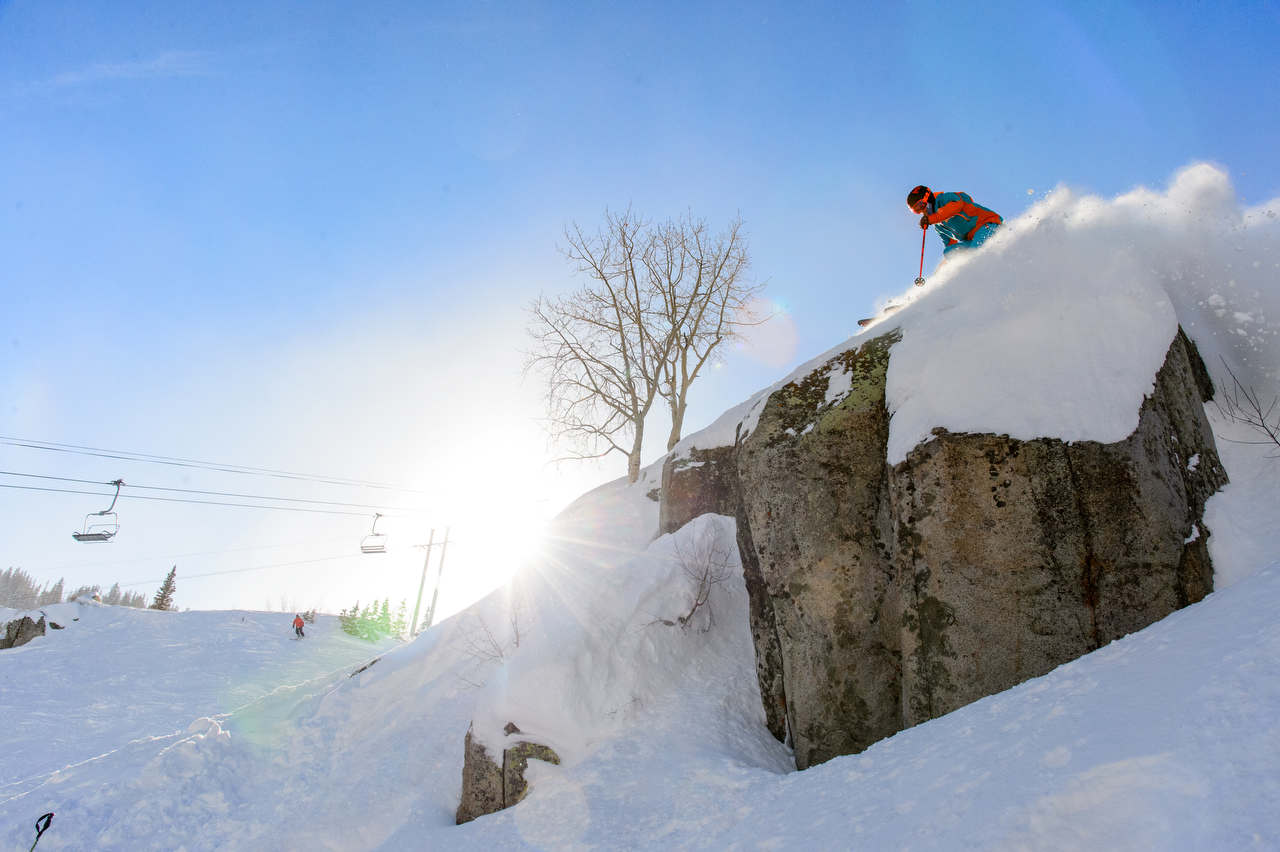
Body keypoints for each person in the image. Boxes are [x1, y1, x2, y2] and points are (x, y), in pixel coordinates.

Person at [907, 185, 1002, 274]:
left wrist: (931, 219)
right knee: (949, 252)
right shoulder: (938, 226)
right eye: (916, 210)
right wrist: (945, 271)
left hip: (988, 225)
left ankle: (981, 270)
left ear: (928, 198)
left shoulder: (945, 199)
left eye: (921, 205)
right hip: (972, 240)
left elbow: (957, 205)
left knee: (974, 252)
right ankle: (964, 276)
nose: (921, 211)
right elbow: (950, 244)